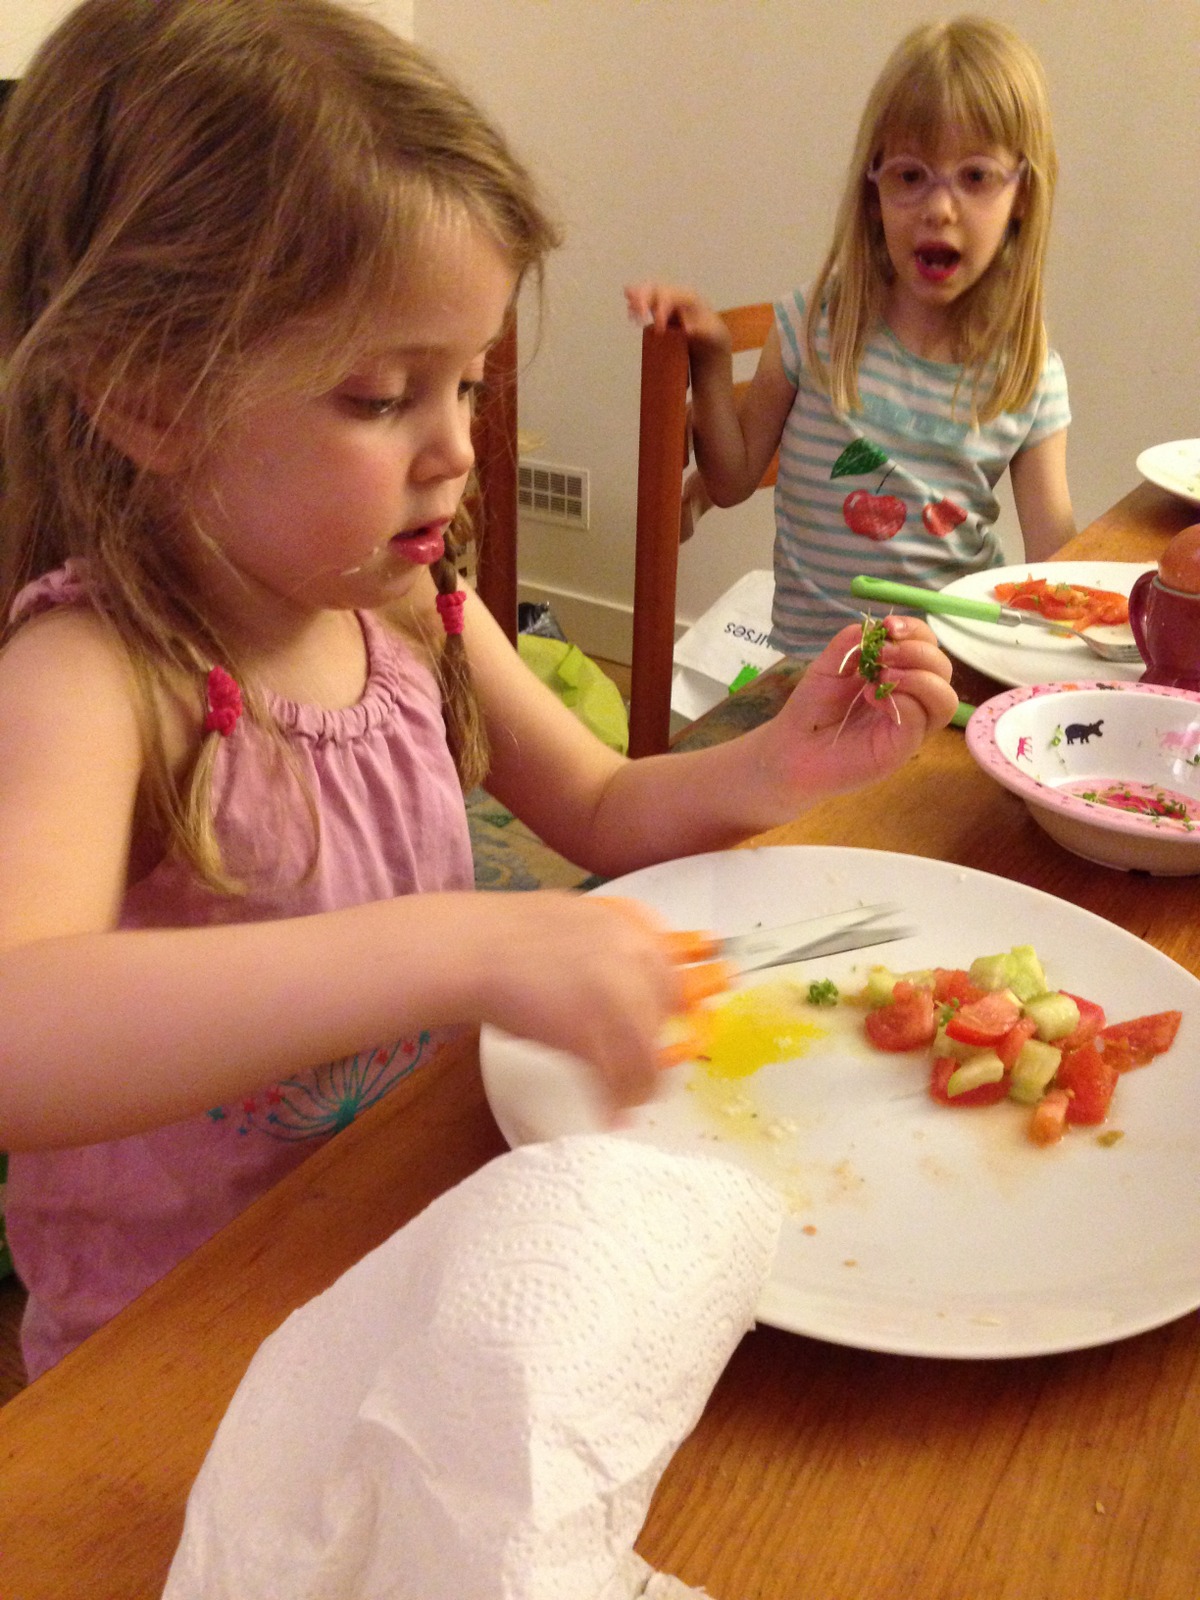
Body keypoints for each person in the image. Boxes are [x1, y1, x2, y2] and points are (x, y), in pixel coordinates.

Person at [0, 0, 957, 1380]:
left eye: (468, 381)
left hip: (409, 1262)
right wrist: (461, 943)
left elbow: (603, 802)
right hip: (174, 1357)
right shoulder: (96, 674)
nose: (457, 446)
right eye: (382, 395)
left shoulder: (407, 607)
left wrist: (776, 766)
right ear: (149, 395)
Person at [626, 15, 1075, 660]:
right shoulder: (814, 326)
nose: (939, 208)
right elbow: (730, 480)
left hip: (945, 672)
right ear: (873, 189)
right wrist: (713, 355)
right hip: (810, 675)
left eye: (975, 176)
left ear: (1022, 195)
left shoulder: (1029, 375)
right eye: (911, 175)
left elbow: (1056, 560)